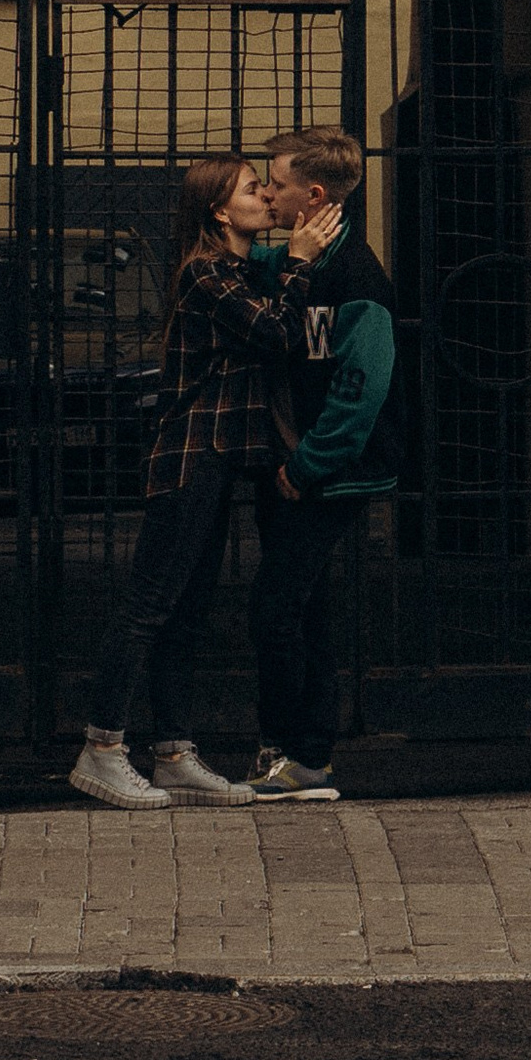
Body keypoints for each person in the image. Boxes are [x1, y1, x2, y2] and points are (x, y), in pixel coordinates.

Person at [69, 155, 341, 810]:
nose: (263, 199)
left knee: (187, 614)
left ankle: (174, 754)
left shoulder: (242, 272)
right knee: (150, 605)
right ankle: (101, 750)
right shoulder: (205, 274)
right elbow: (278, 333)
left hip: (219, 460)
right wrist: (301, 260)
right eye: (253, 190)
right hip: (192, 457)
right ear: (220, 210)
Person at [247, 125, 402, 804]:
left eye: (274, 181)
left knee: (277, 608)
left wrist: (306, 467)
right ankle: (299, 754)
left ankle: (301, 757)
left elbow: (361, 389)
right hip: (302, 469)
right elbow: (263, 284)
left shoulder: (356, 277)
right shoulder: (309, 264)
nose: (265, 191)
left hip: (328, 474)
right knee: (303, 608)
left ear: (312, 193)